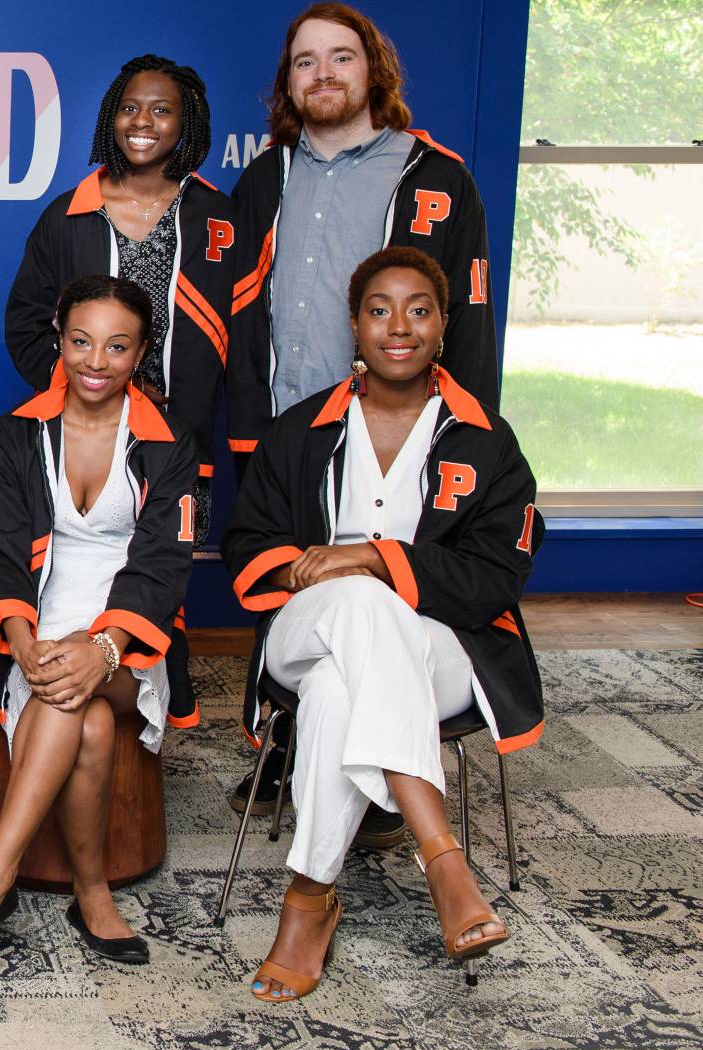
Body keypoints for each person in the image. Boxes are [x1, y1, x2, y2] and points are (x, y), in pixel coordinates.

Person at [223, 246, 542, 1002]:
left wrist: (369, 557)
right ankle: (442, 857)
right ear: (354, 326)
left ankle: (308, 899)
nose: (399, 326)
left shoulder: (487, 441)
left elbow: (500, 574)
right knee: (360, 610)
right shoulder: (301, 429)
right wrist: (320, 567)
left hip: (445, 646)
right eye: (379, 310)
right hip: (309, 627)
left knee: (339, 686)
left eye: (419, 310)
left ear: (442, 326)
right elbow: (246, 545)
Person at [225, 2, 500, 844]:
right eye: (305, 62)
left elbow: (469, 315)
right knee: (295, 579)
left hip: (396, 426)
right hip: (284, 429)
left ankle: (367, 759)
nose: (323, 75)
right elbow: (235, 311)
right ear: (289, 83)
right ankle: (298, 732)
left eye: (340, 57)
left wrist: (471, 432)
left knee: (385, 583)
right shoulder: (265, 177)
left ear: (372, 70)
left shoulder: (438, 178)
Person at [0, 275, 197, 965]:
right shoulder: (15, 436)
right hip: (36, 627)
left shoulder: (170, 442)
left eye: (117, 346)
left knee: (85, 690)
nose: (96, 361)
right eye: (81, 341)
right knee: (86, 718)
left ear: (141, 353)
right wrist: (22, 640)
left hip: (130, 634)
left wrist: (105, 645)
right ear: (59, 341)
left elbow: (165, 564)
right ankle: (93, 894)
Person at [3, 54, 231, 544]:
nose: (142, 122)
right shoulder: (68, 215)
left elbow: (246, 327)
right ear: (112, 116)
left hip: (179, 428)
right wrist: (93, 381)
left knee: (167, 563)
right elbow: (26, 322)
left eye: (161, 110)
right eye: (129, 107)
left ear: (185, 122)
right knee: (72, 552)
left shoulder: (218, 217)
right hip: (85, 424)